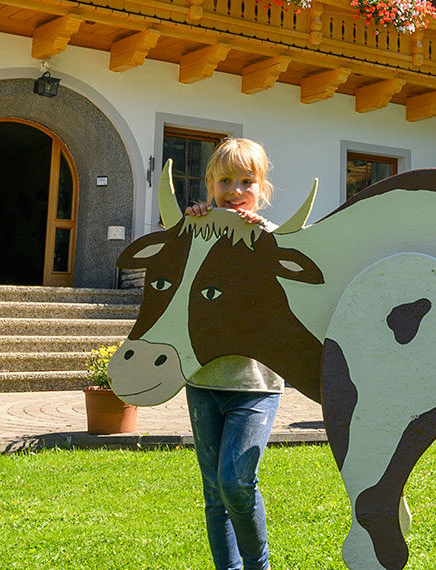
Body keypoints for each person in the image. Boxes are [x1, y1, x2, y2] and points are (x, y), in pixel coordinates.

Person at [181, 137, 283, 570]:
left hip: (255, 385)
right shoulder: (196, 232)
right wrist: (191, 228)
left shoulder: (274, 238)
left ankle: (257, 565)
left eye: (247, 181)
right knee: (213, 491)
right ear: (210, 186)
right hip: (203, 380)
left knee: (235, 481)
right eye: (225, 180)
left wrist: (259, 237)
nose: (235, 190)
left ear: (262, 189)